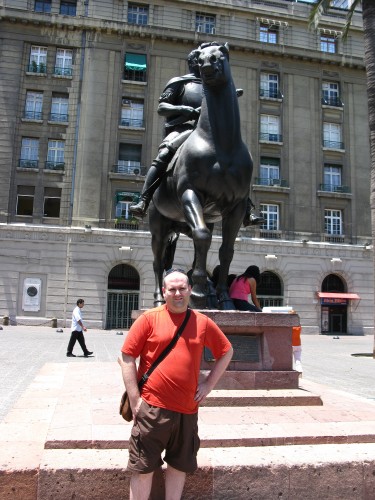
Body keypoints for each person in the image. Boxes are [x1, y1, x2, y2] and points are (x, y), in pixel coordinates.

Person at [118, 269, 233, 500]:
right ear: (164, 292)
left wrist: (208, 384)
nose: (178, 293)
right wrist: (135, 400)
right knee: (142, 468)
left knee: (179, 466)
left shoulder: (202, 322)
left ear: (190, 290)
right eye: (172, 289)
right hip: (152, 408)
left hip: (187, 410)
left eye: (182, 288)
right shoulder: (149, 319)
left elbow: (226, 351)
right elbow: (126, 357)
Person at [130, 44, 263, 226]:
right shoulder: (180, 82)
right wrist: (185, 110)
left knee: (237, 160)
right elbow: (162, 107)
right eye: (199, 61)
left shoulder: (215, 86)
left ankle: (245, 207)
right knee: (164, 154)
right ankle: (143, 200)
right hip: (184, 129)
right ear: (194, 63)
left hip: (212, 132)